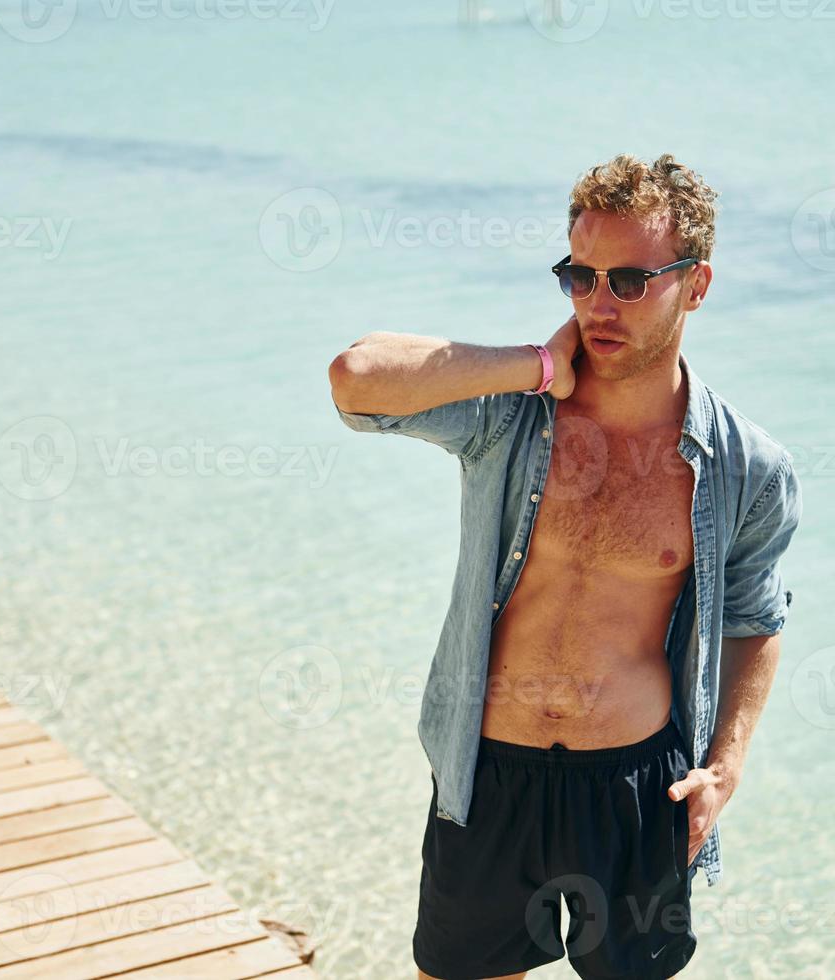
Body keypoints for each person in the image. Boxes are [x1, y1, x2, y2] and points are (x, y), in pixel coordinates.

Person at [328, 153, 803, 980]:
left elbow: (754, 620)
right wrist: (535, 366)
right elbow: (356, 380)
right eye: (579, 278)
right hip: (488, 774)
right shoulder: (510, 418)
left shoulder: (743, 468)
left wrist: (724, 770)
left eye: (629, 279)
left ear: (695, 286)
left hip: (634, 788)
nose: (597, 304)